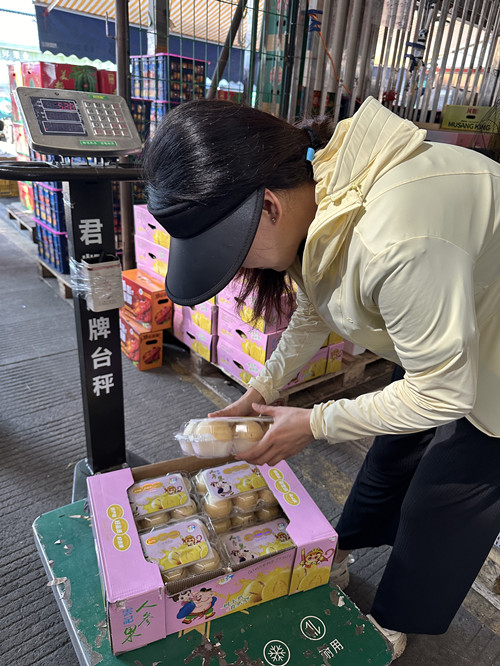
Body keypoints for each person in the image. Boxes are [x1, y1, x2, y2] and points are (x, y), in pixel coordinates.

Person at [142, 96, 500, 660]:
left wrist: (315, 422)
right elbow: (316, 307)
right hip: (455, 321)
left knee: (445, 497)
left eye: (236, 255)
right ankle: (346, 546)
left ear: (268, 206)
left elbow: (442, 391)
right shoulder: (325, 191)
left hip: (492, 355)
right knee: (393, 452)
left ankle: (394, 620)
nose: (241, 270)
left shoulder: (396, 237)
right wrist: (262, 389)